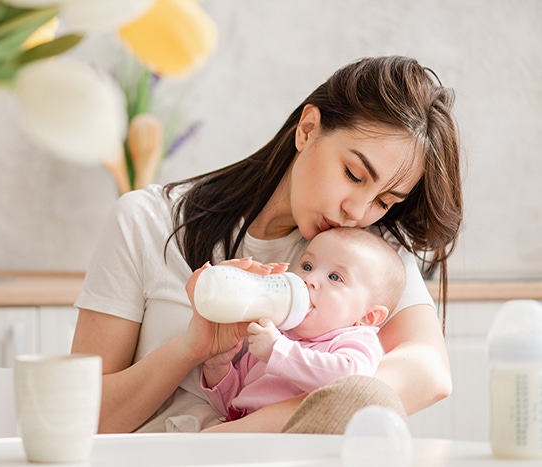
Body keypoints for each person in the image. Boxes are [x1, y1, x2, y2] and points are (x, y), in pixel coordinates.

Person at [72, 55, 462, 434]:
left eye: (384, 201)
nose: (356, 212)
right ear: (308, 129)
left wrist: (240, 436)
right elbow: (80, 418)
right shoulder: (146, 220)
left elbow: (428, 373)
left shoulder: (366, 255)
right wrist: (189, 349)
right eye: (353, 174)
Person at [196, 227, 406, 424]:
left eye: (335, 277)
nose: (310, 279)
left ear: (368, 316)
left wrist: (278, 352)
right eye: (307, 266)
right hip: (240, 429)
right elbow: (234, 401)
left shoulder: (353, 340)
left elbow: (349, 383)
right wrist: (218, 367)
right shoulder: (277, 333)